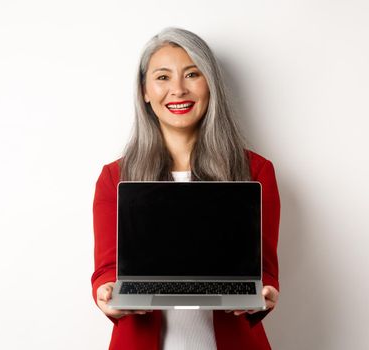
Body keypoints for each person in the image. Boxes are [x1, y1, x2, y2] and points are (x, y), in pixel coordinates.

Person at [91, 27, 280, 350]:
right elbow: (108, 270)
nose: (178, 90)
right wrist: (107, 293)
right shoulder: (116, 176)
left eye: (192, 74)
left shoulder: (255, 171)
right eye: (162, 77)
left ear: (211, 85)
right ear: (145, 91)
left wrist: (264, 293)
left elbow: (264, 271)